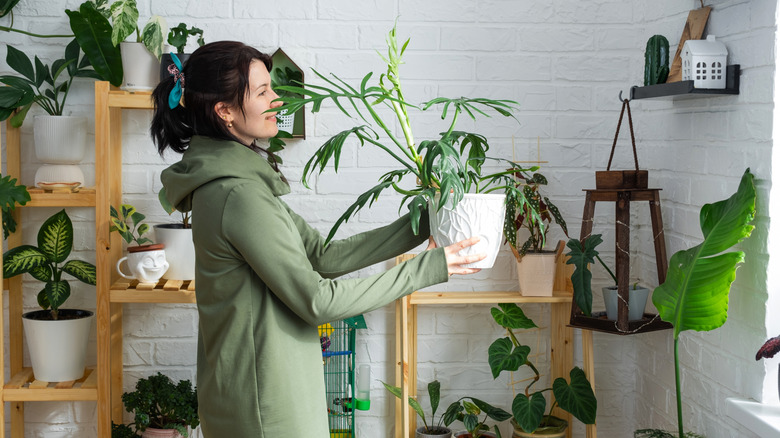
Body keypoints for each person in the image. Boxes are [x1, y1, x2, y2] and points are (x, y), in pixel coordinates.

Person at [150, 41, 485, 437]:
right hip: (265, 403)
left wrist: (425, 220)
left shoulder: (236, 186)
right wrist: (430, 267)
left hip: (254, 389)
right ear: (224, 112)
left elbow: (322, 256)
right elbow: (318, 300)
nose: (277, 99)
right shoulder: (237, 196)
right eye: (262, 92)